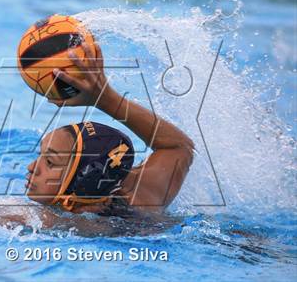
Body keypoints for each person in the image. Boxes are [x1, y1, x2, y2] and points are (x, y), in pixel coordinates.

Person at [24, 42, 195, 219]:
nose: (32, 167)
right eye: (41, 155)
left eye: (50, 162)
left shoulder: (64, 223)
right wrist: (104, 98)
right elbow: (178, 147)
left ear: (85, 181)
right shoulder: (143, 198)